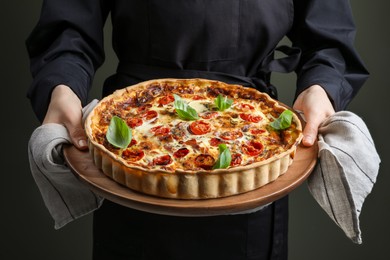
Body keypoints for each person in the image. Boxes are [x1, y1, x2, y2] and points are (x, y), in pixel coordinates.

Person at [26, 0, 368, 259]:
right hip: (135, 128)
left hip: (254, 135)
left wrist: (322, 87)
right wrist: (63, 86)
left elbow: (330, 39)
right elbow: (68, 26)